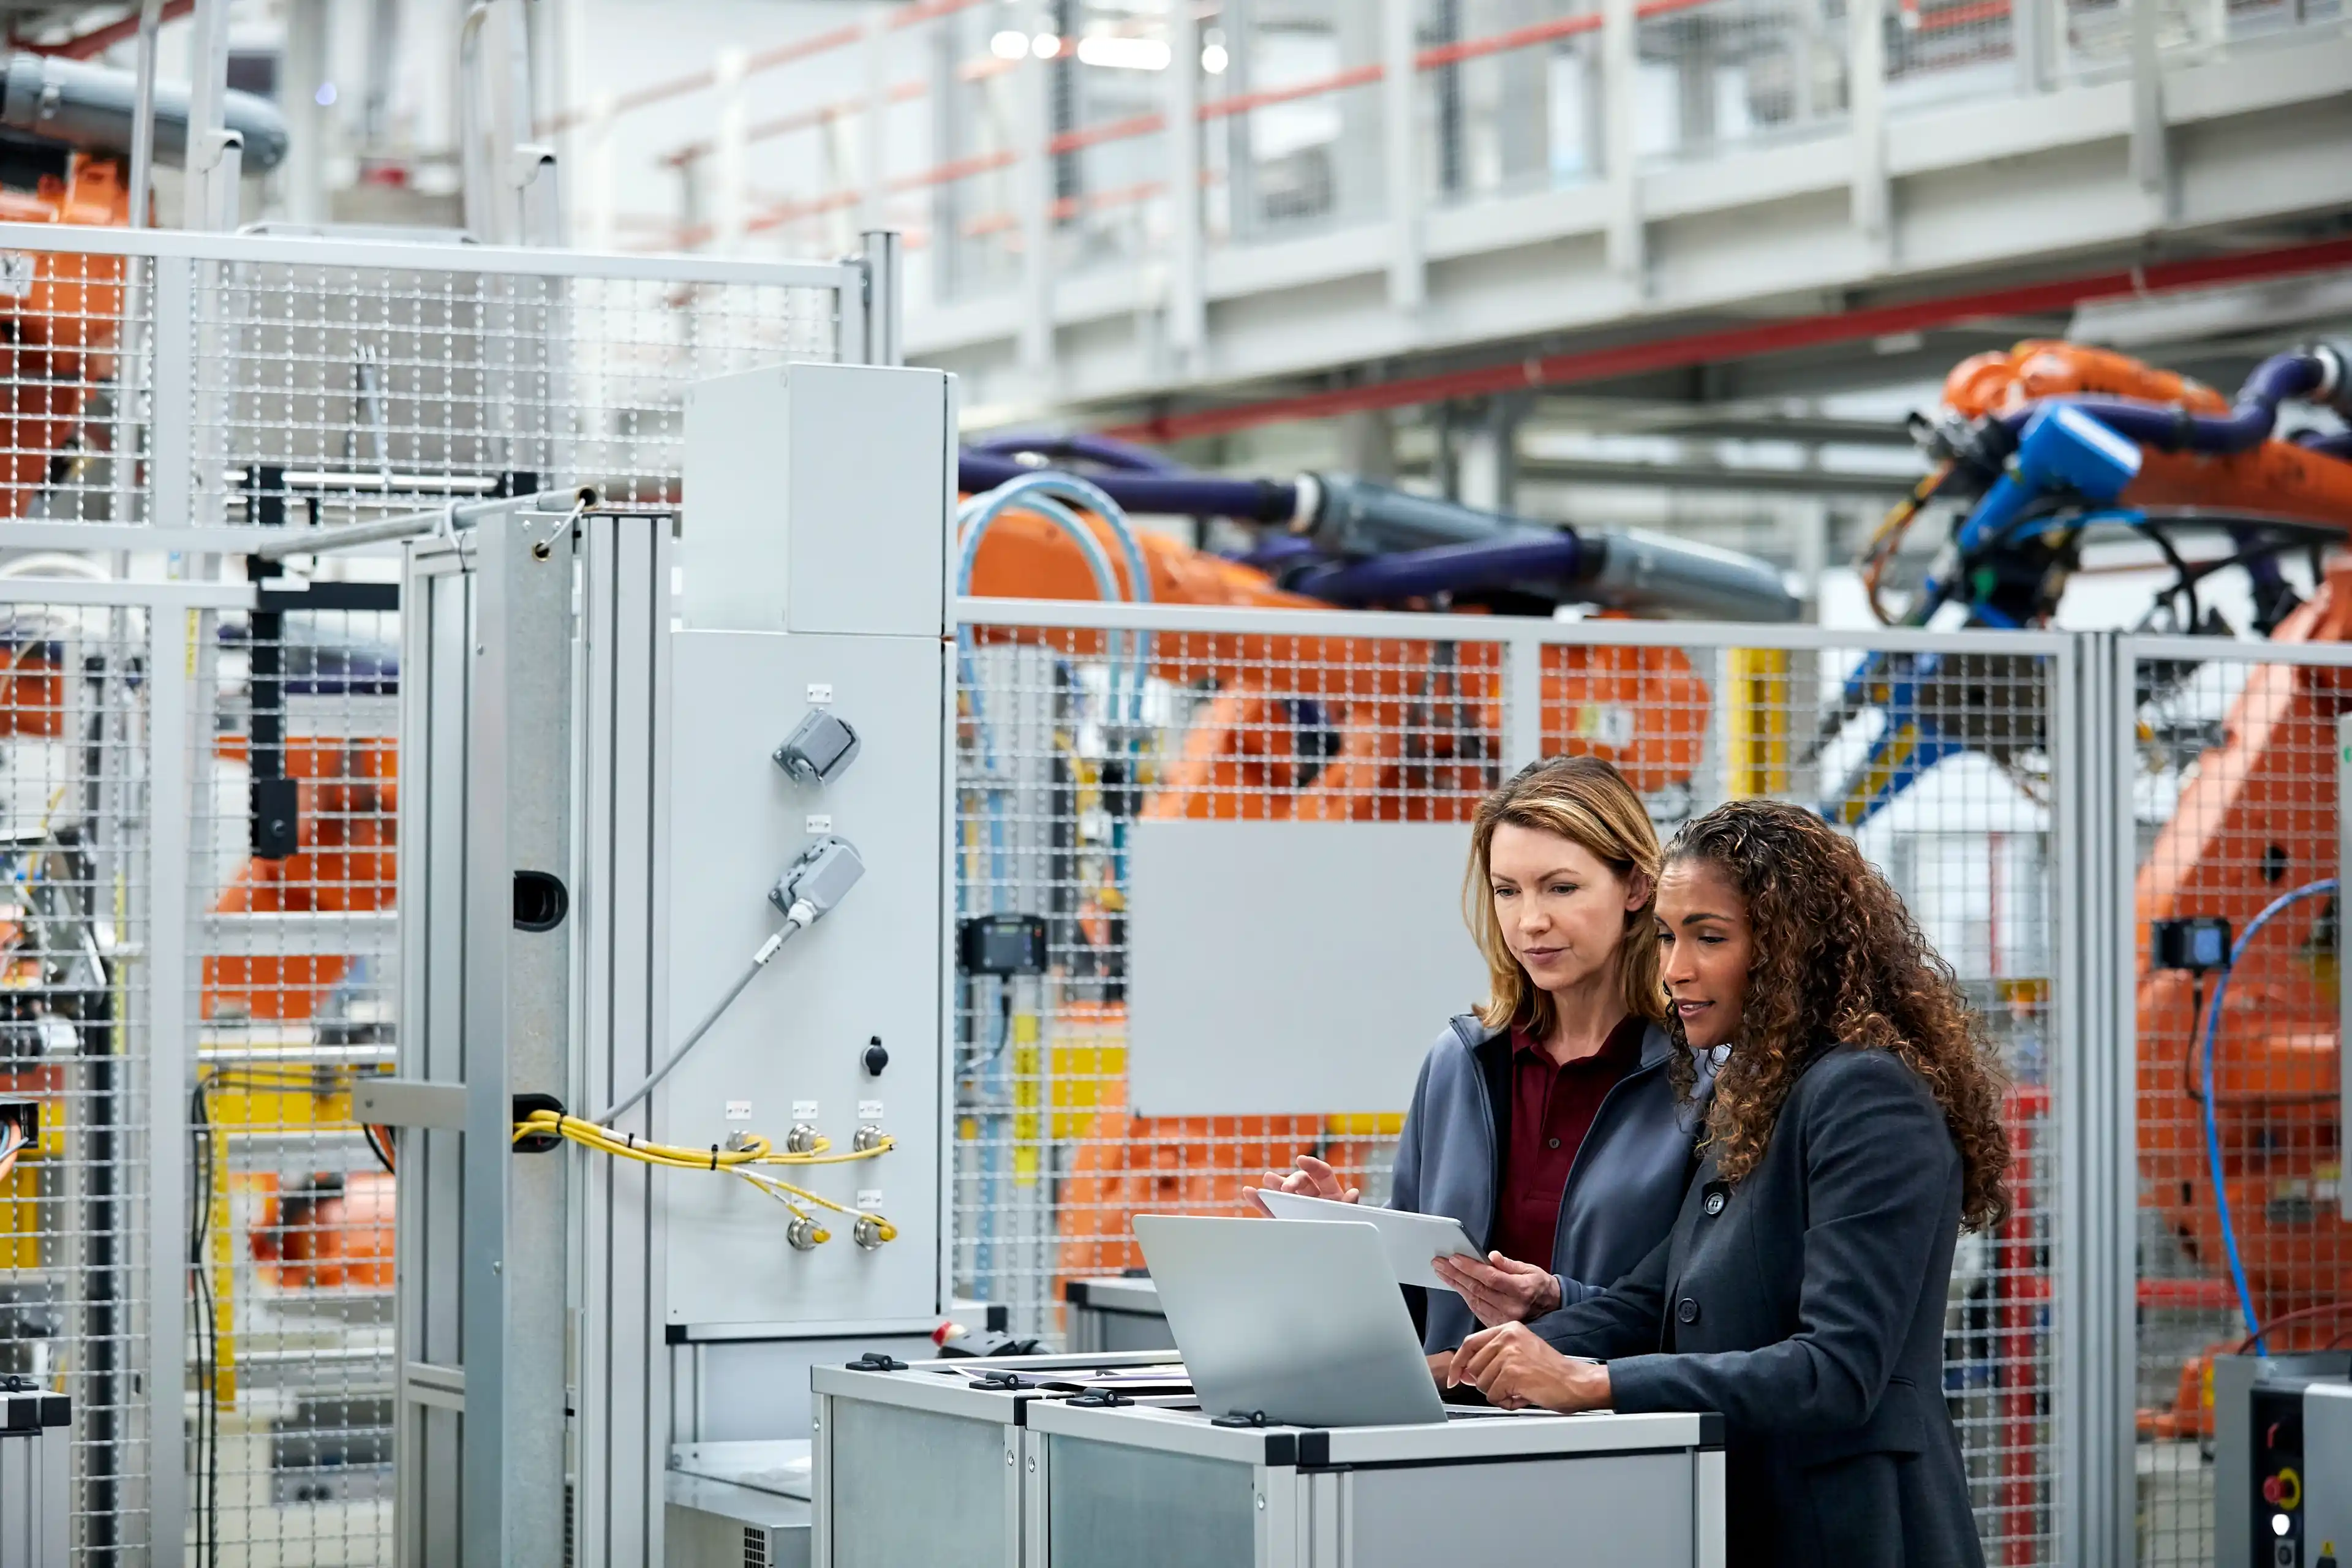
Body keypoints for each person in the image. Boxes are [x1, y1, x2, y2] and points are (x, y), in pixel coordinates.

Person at [1448, 799, 2008, 1568]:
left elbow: (1837, 1370)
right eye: (1668, 936)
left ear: (1790, 947)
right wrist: (1460, 1368)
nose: (1675, 968)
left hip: (1856, 1531)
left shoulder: (1867, 1094)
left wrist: (1594, 1381)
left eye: (1709, 937)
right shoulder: (1762, 1091)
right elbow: (1652, 1301)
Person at [1253, 755, 1707, 1363]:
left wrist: (1560, 1304)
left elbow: (1715, 1312)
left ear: (1636, 886)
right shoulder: (1459, 1064)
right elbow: (1416, 1309)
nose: (1530, 921)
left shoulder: (1705, 1075)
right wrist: (1347, 1246)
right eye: (1507, 891)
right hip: (1456, 1417)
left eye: (1561, 887)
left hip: (1621, 1417)